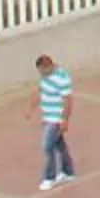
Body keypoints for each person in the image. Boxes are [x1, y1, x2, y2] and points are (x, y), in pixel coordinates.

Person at [31, 54, 77, 191]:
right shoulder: (45, 76)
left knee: (47, 146)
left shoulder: (62, 78)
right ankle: (68, 171)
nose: (41, 74)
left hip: (56, 119)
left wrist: (65, 120)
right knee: (59, 144)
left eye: (43, 71)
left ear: (49, 67)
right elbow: (42, 91)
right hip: (48, 116)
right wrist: (32, 108)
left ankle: (49, 177)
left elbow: (68, 101)